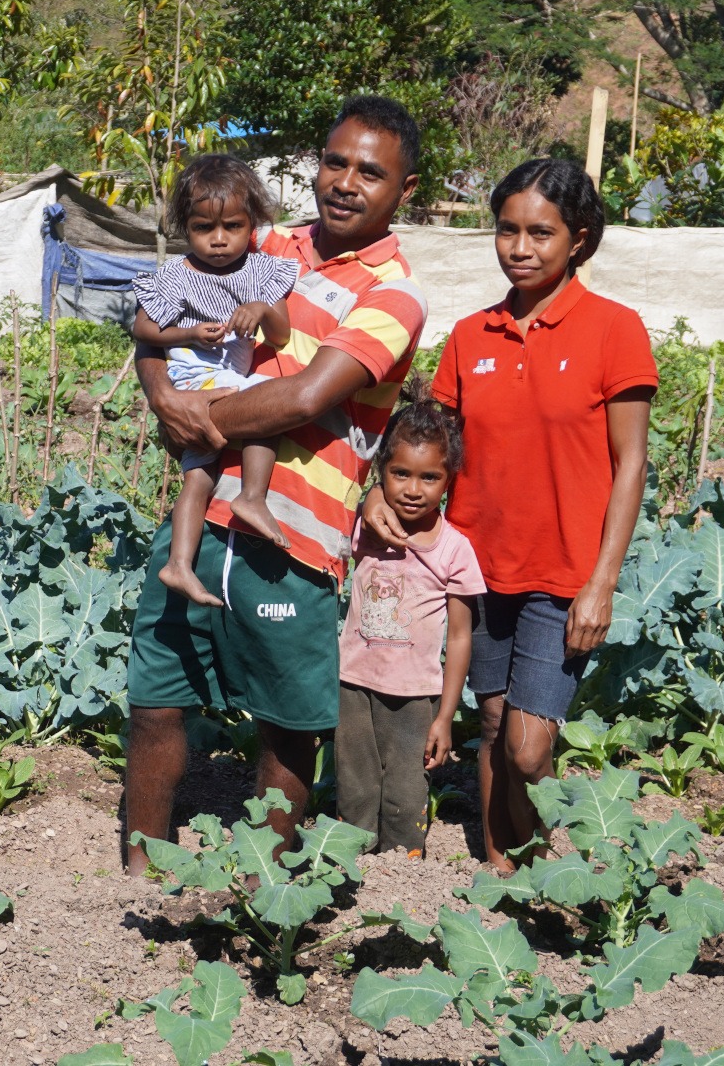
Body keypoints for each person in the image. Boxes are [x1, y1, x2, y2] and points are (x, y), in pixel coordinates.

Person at [123, 96, 428, 875]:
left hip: (294, 535)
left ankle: (265, 884)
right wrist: (160, 390)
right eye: (335, 162)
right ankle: (138, 869)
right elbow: (161, 310)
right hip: (202, 514)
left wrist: (201, 415)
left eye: (371, 171)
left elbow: (303, 399)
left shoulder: (394, 294)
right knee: (158, 698)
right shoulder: (262, 242)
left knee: (286, 724)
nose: (347, 183)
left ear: (405, 190)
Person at [367, 157, 655, 872]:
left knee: (528, 747)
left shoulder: (615, 330)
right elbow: (431, 443)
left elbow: (631, 465)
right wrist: (375, 489)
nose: (519, 248)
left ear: (579, 239)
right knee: (491, 720)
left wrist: (602, 583)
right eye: (507, 230)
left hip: (563, 572)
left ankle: (554, 861)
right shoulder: (472, 336)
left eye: (540, 234)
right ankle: (502, 871)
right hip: (477, 566)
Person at [130, 154, 298, 606]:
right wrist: (186, 331)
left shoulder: (261, 272)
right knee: (269, 406)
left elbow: (281, 335)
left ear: (254, 225)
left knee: (198, 477)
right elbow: (142, 330)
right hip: (195, 375)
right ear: (186, 226)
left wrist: (261, 310)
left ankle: (178, 564)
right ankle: (251, 497)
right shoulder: (177, 277)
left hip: (224, 378)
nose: (219, 241)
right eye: (204, 229)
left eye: (233, 228)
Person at [335, 401, 483, 856]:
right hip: (351, 682)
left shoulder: (454, 550)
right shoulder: (364, 527)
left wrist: (445, 715)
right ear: (381, 471)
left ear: (449, 479)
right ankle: (351, 854)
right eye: (400, 473)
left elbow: (459, 637)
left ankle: (403, 862)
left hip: (416, 694)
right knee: (354, 779)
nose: (413, 489)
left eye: (429, 477)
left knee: (405, 787)